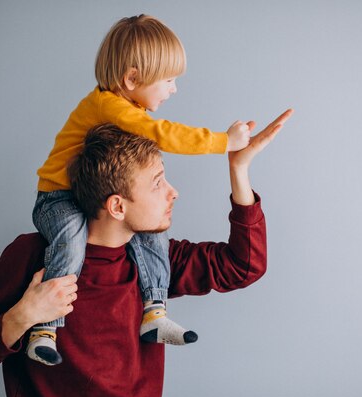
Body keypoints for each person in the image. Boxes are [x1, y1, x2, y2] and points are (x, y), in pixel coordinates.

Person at [0, 110, 292, 397]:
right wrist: (24, 315)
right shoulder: (31, 255)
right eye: (158, 184)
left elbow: (244, 266)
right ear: (117, 206)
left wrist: (239, 169)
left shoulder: (155, 261)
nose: (174, 192)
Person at [30, 14, 253, 365]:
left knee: (152, 235)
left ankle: (154, 312)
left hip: (94, 199)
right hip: (58, 197)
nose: (173, 88)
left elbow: (243, 266)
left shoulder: (126, 107)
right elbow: (164, 133)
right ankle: (45, 327)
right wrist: (225, 141)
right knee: (71, 242)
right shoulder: (110, 106)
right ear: (132, 78)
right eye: (168, 79)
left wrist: (239, 169)